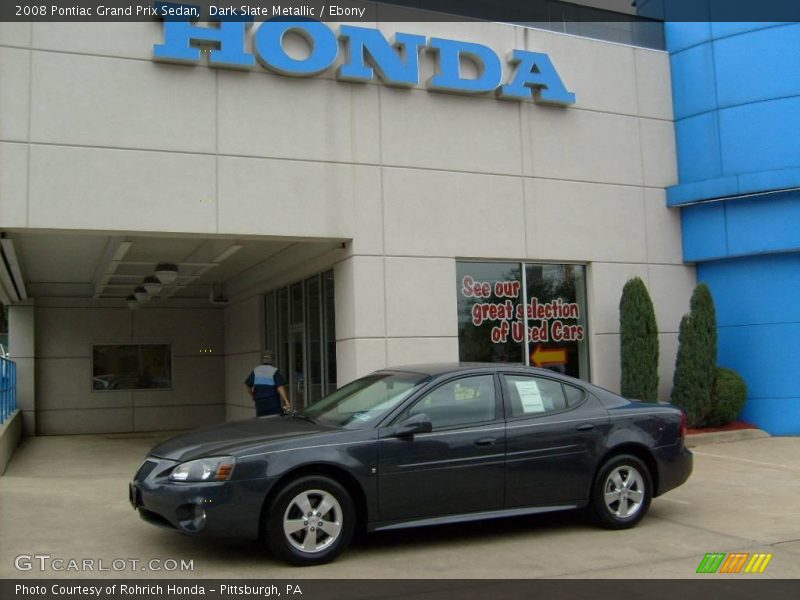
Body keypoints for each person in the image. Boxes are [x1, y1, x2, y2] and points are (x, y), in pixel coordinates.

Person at [245, 351, 291, 416]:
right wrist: (286, 401)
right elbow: (280, 387)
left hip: (260, 404)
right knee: (274, 422)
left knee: (262, 423)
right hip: (272, 404)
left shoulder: (256, 370)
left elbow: (247, 384)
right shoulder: (274, 371)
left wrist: (253, 396)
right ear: (272, 361)